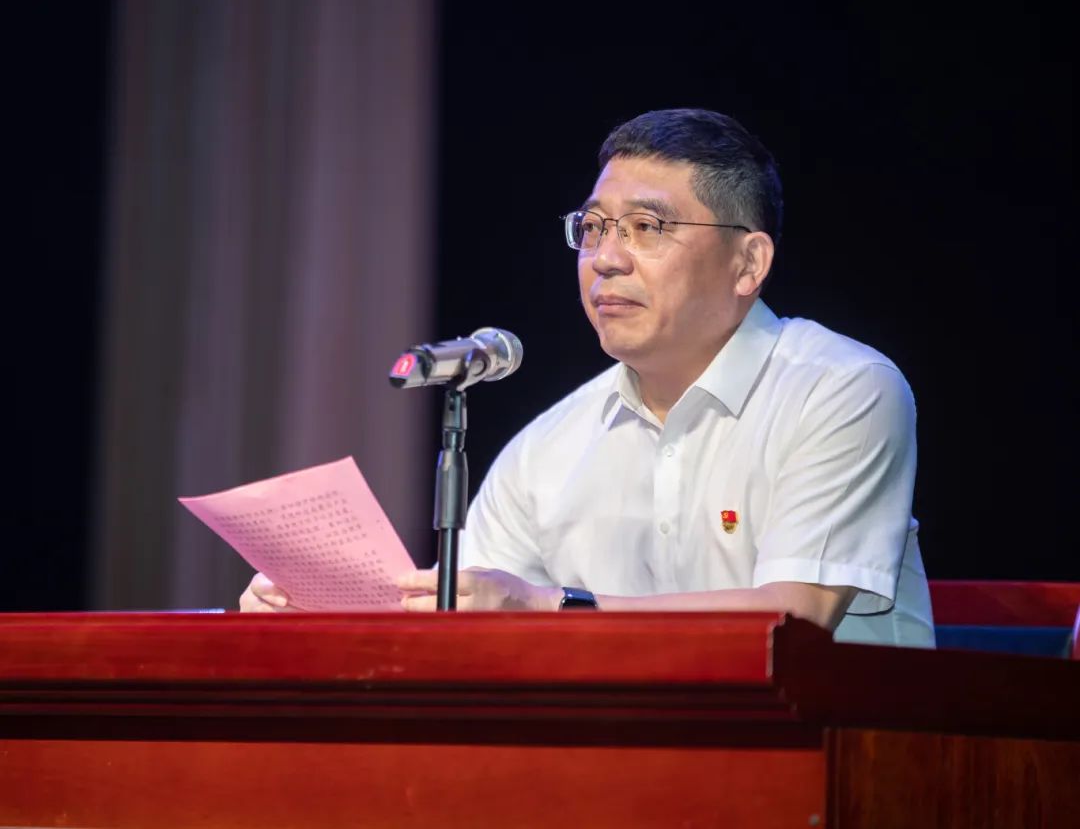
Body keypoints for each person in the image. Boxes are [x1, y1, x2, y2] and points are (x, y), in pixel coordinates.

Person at [241, 108, 935, 648]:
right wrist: (326, 613)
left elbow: (797, 617)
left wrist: (547, 606)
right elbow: (458, 629)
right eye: (595, 227)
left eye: (647, 227)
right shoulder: (547, 449)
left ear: (748, 263)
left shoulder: (841, 390)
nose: (606, 258)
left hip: (844, 759)